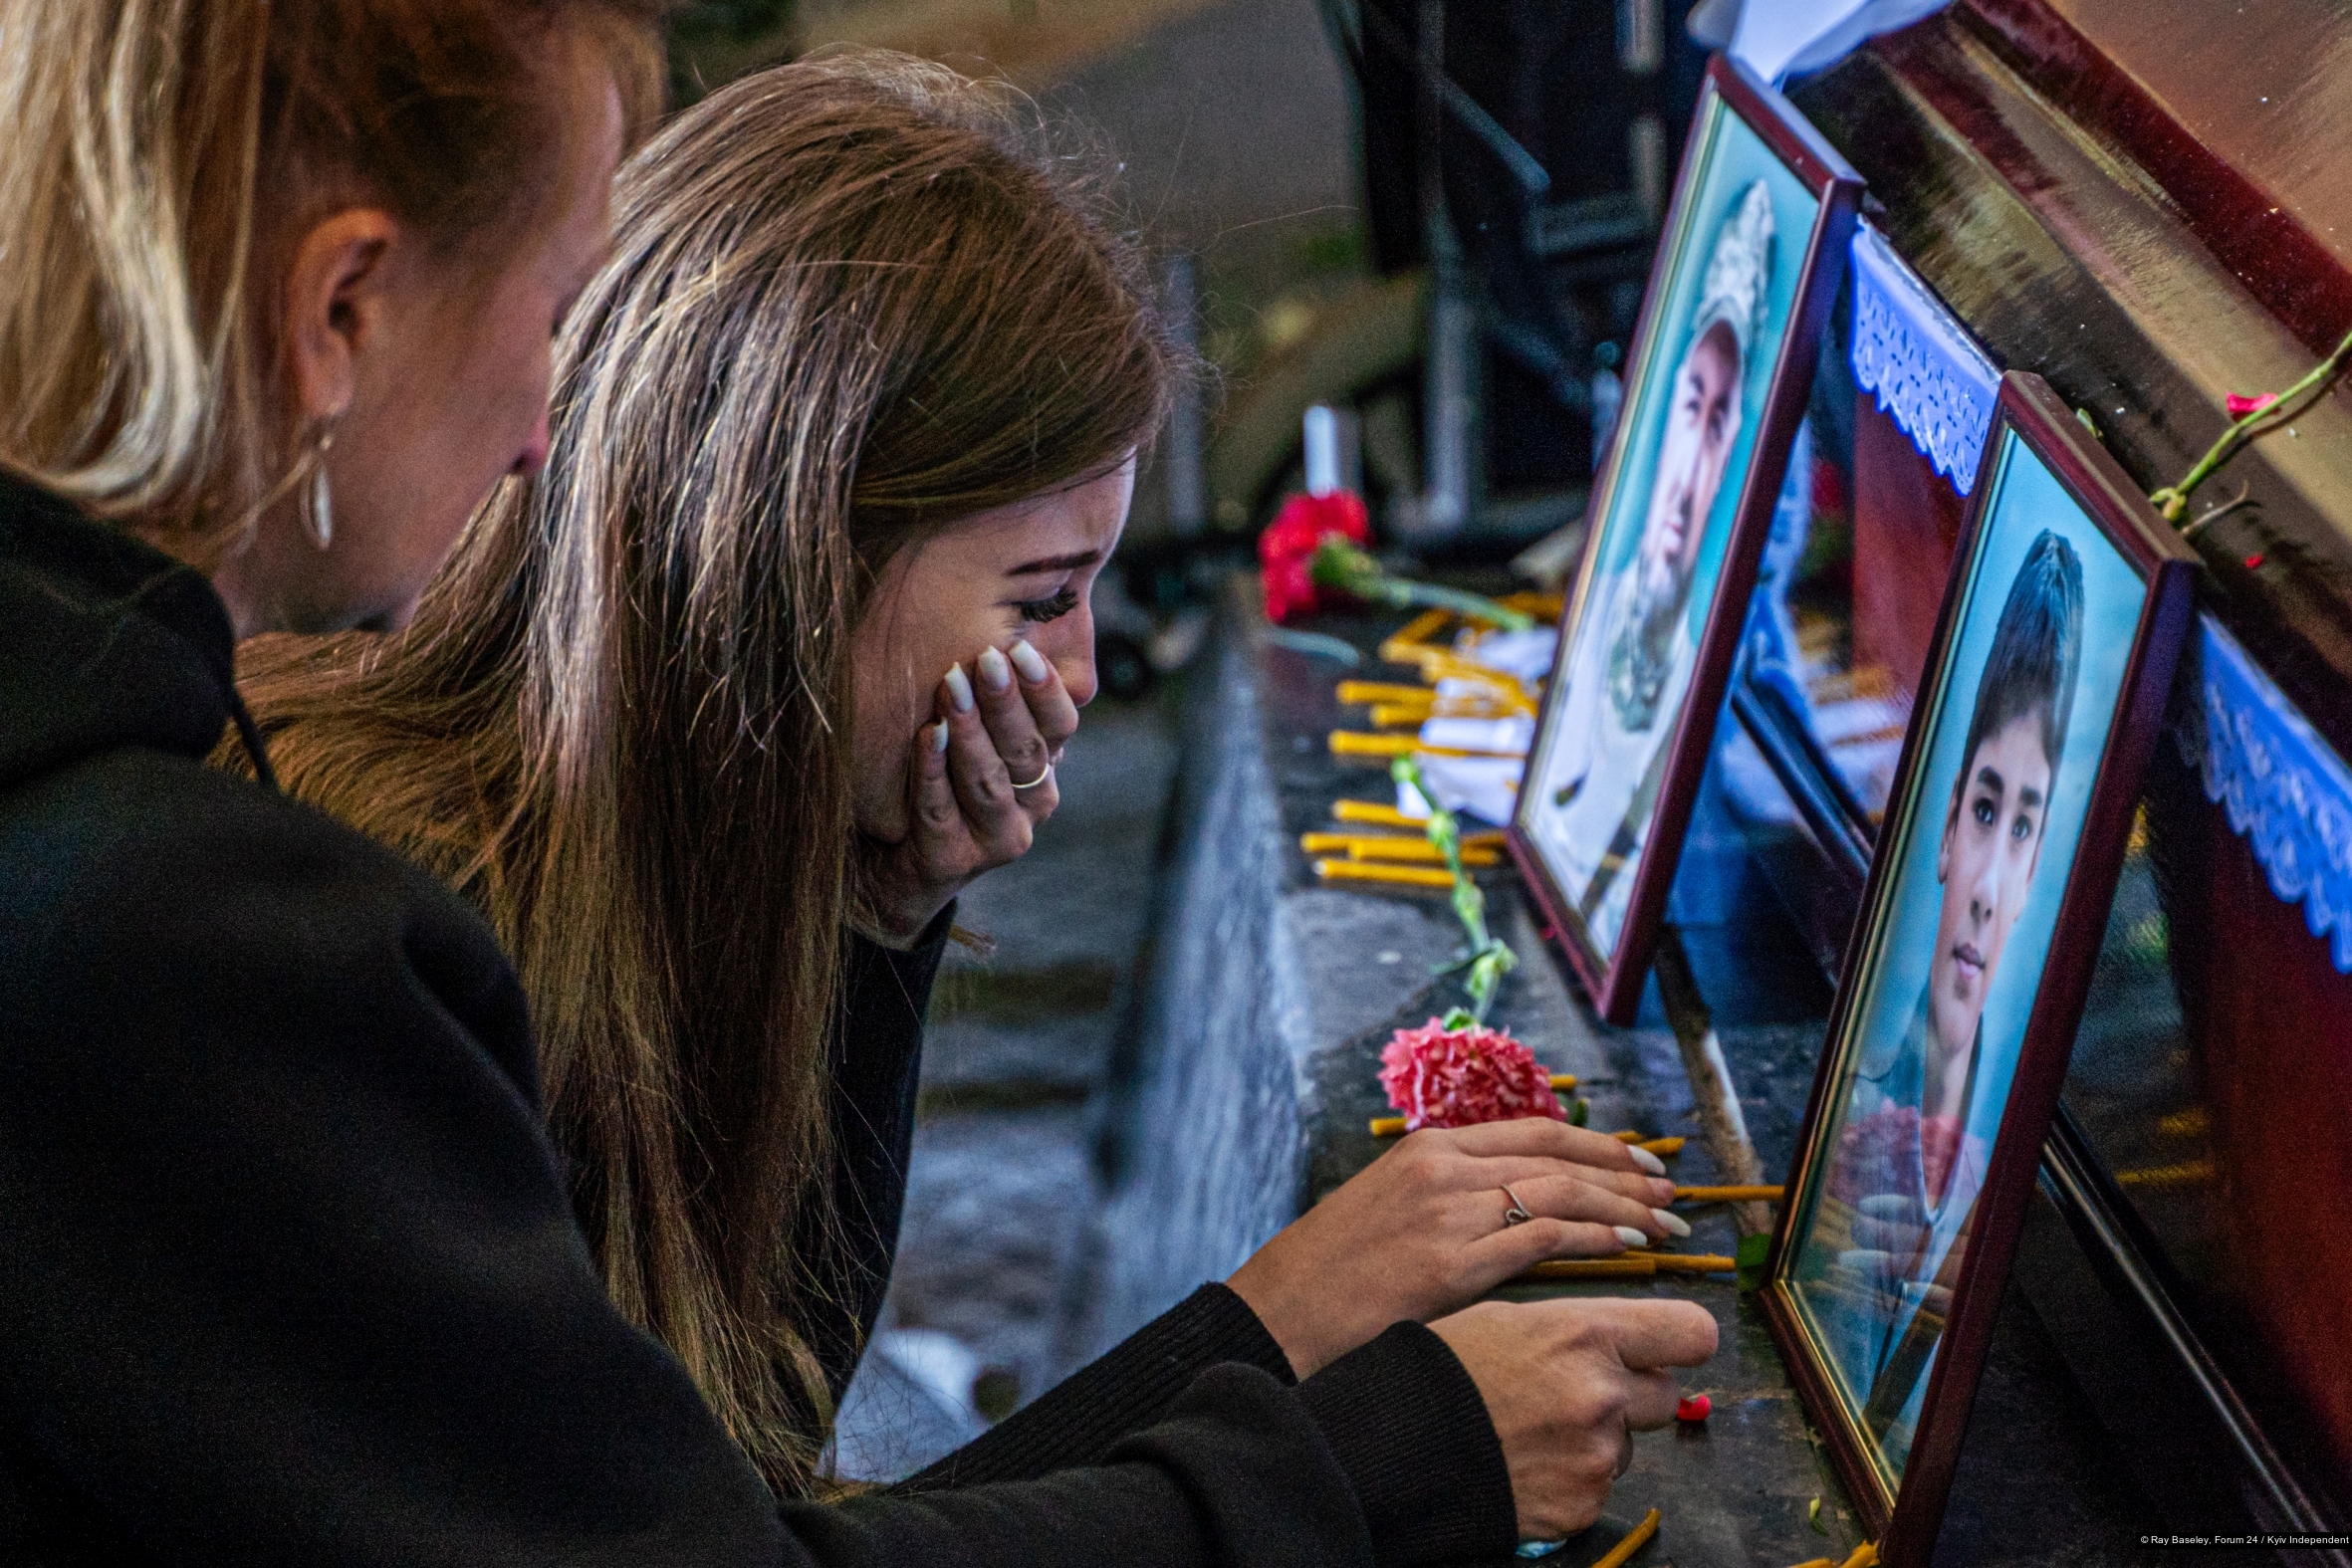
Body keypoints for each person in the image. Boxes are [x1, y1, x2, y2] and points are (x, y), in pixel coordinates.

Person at [227, 52, 1720, 1557]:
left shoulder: (625, 858)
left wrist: (877, 928)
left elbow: (767, 1451)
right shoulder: (391, 939)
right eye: (1044, 596)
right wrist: (1326, 1402)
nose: (1074, 673)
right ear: (794, 569)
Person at [1808, 527, 2084, 1462]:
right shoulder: (1855, 1123)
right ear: (1941, 834)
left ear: (2039, 868)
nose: (1984, 886)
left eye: (2023, 827)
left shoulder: (2014, 1170)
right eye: (1982, 808)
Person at [1528, 178, 1774, 953]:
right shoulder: (1604, 610)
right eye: (1688, 406)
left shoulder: (1717, 656)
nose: (1694, 459)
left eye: (1721, 421)